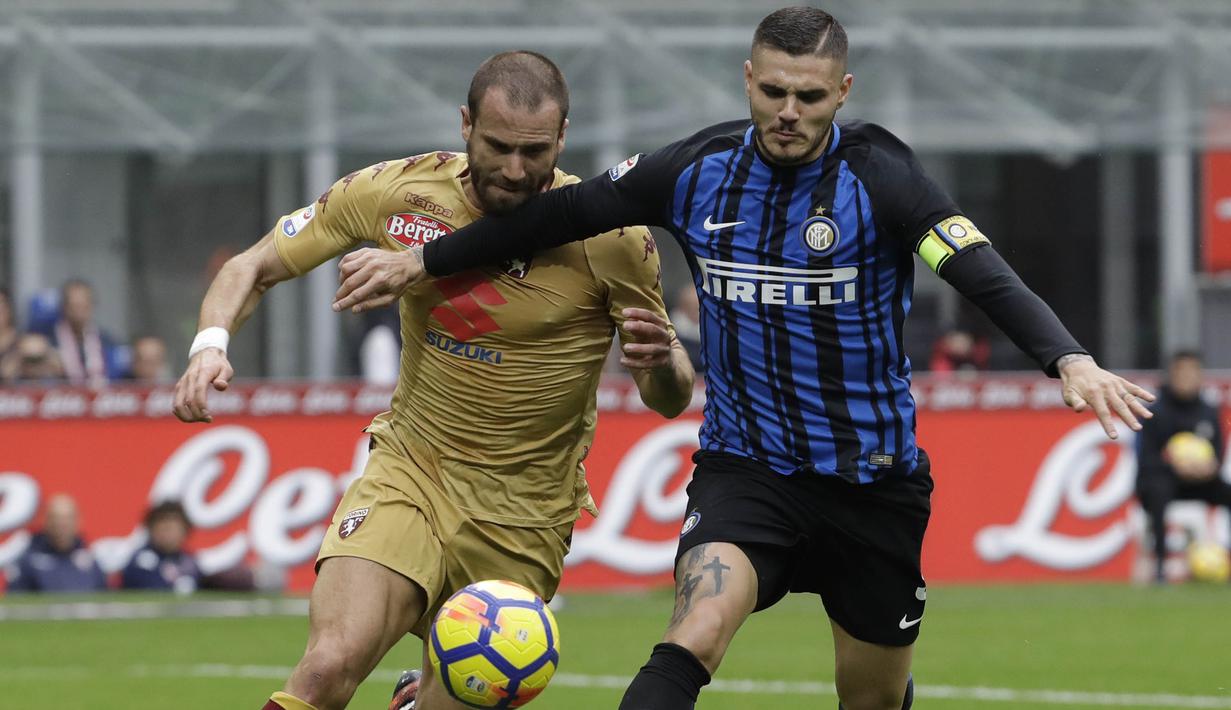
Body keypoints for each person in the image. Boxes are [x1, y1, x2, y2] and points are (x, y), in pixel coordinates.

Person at [335, 9, 1157, 710]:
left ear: (841, 92)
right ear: (747, 80)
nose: (787, 111)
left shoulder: (882, 180)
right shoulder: (697, 171)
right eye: (772, 91)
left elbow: (977, 270)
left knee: (869, 696)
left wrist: (1068, 360)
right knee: (695, 629)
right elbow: (558, 215)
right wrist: (422, 262)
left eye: (807, 96)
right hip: (747, 471)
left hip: (873, 485)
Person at [171, 51, 694, 710]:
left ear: (562, 139)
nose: (513, 169)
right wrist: (209, 346)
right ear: (465, 124)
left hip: (523, 515)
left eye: (533, 151)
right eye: (497, 145)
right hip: (411, 472)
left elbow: (668, 399)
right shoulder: (401, 193)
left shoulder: (611, 237)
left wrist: (662, 365)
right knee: (328, 665)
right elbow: (251, 266)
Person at [1135, 350, 1230, 583]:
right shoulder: (1155, 411)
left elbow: (1218, 452)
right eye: (1182, 372)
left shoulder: (1208, 409)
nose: (1187, 378)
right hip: (1162, 479)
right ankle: (1160, 568)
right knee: (1158, 491)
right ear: (1171, 375)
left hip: (1199, 481)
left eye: (1193, 372)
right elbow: (1147, 459)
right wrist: (1175, 465)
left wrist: (1209, 468)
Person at [6, 494, 107, 593]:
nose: (62, 525)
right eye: (56, 518)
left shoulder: (91, 563)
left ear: (78, 521)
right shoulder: (28, 563)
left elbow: (106, 603)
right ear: (46, 521)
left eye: (68, 518)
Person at [44, 279, 123, 386]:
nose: (78, 311)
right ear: (63, 307)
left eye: (83, 305)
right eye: (73, 306)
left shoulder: (106, 340)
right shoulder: (49, 341)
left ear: (91, 306)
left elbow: (115, 377)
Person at [121, 500, 202, 593]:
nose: (168, 534)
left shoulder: (190, 562)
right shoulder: (141, 562)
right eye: (164, 527)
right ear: (151, 529)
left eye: (174, 528)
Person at [0, 332, 65, 384]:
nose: (33, 364)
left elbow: (62, 370)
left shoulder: (53, 380)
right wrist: (16, 358)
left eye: (38, 359)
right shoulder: (14, 379)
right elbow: (5, 375)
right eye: (29, 359)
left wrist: (50, 355)